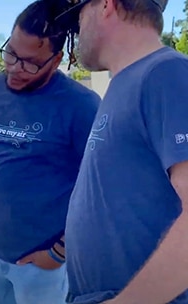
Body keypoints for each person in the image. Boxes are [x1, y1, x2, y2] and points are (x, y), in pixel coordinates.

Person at [55, 0, 188, 303]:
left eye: (79, 16)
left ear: (106, 5)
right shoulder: (128, 81)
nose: (76, 29)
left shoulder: (166, 73)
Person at [0, 0, 100, 303]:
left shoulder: (81, 105)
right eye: (10, 53)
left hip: (43, 266)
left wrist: (59, 253)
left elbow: (100, 190)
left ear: (55, 61)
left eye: (29, 62)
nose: (14, 68)